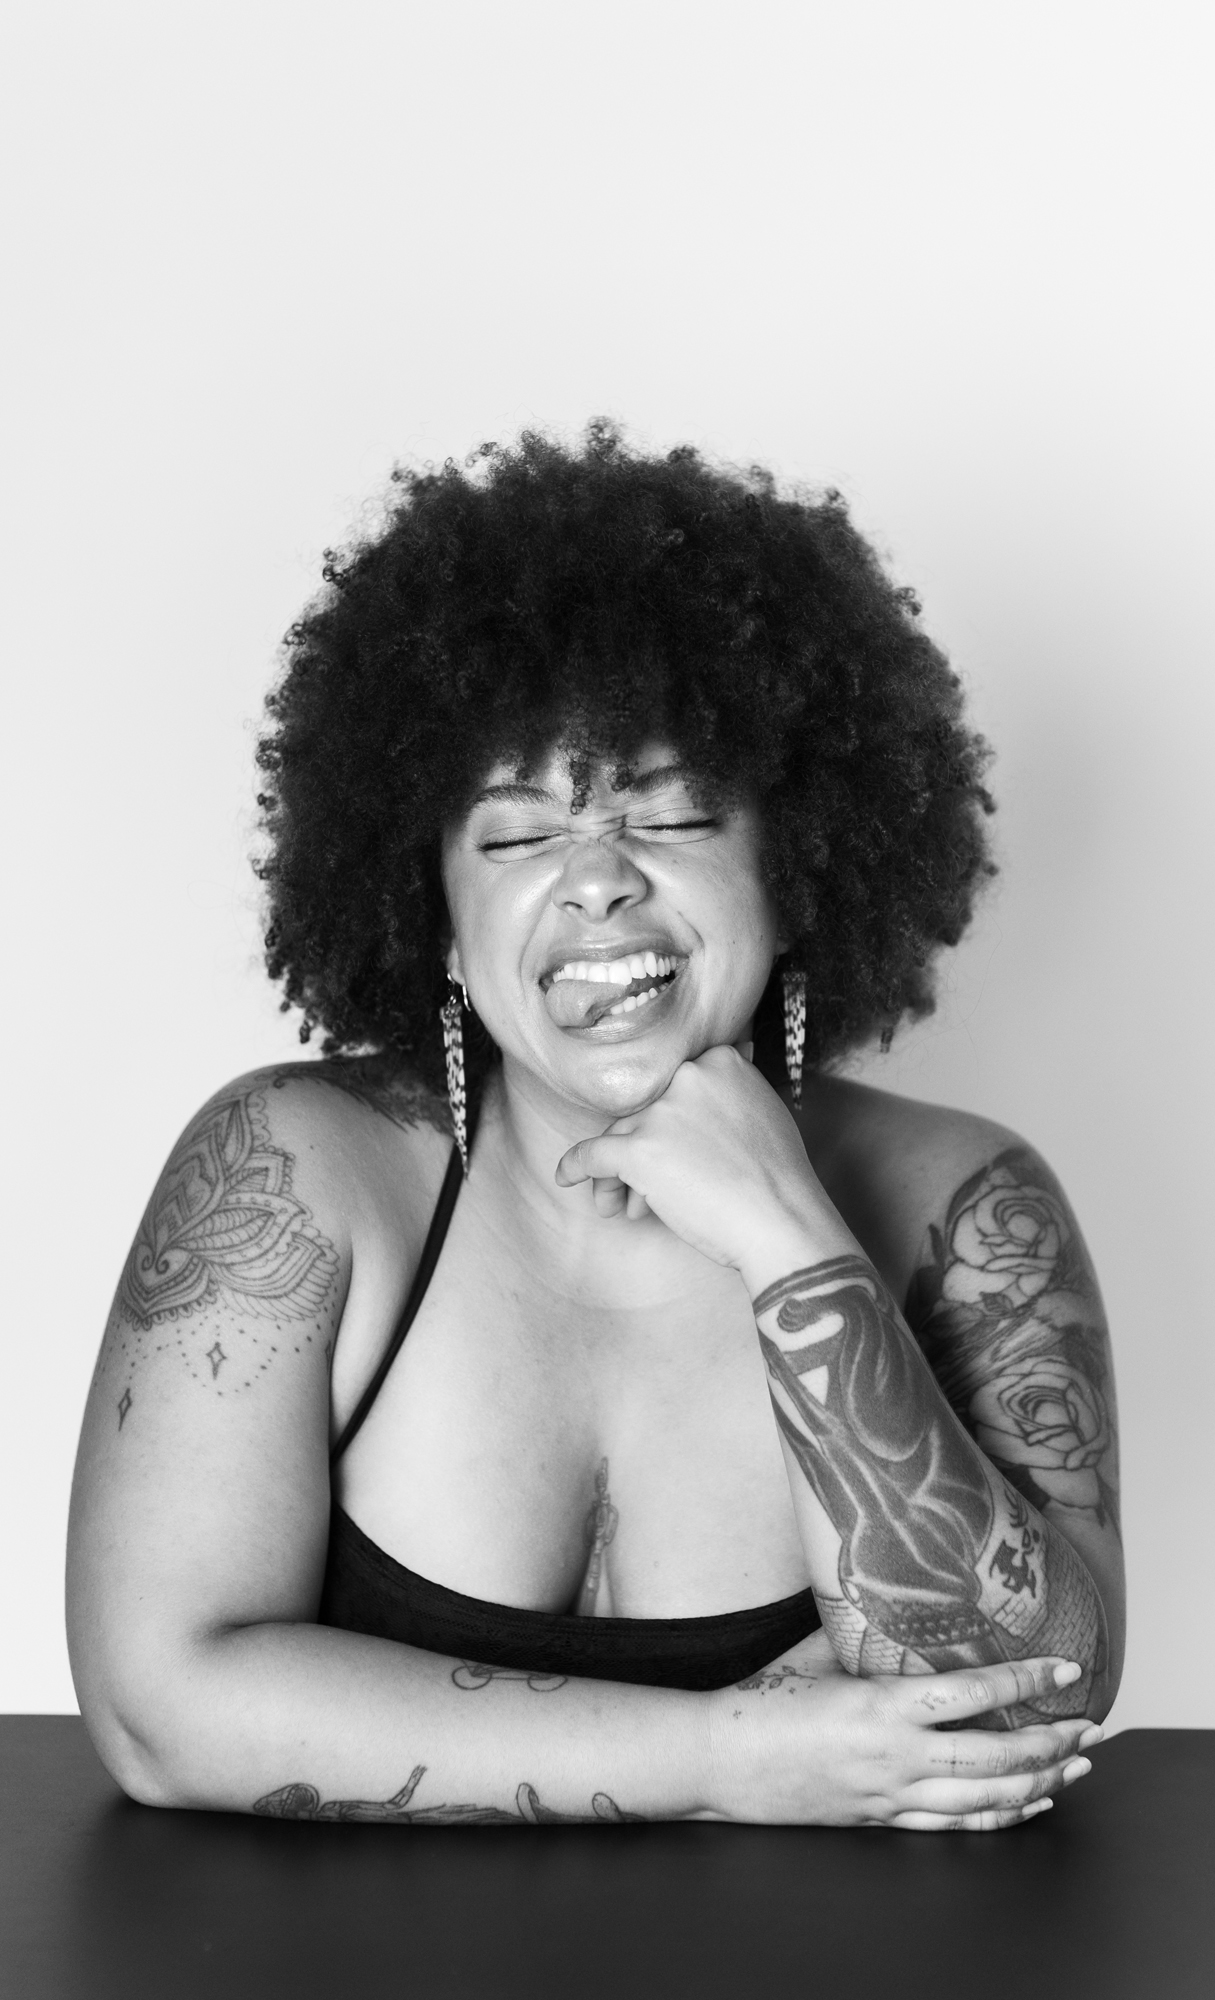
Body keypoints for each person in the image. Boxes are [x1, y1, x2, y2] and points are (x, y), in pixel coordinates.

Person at [67, 424, 1124, 1829]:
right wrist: (733, 1763)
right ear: (436, 919)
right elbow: (159, 1709)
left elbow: (1034, 1689)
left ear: (797, 866)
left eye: (673, 815)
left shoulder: (959, 1204)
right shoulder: (294, 1176)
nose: (597, 886)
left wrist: (790, 1238)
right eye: (514, 838)